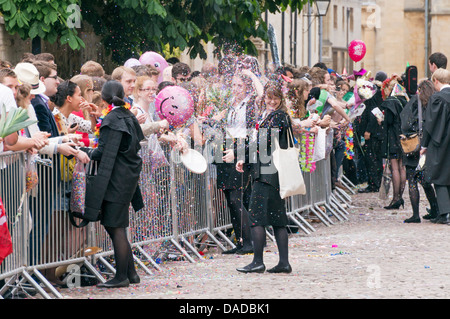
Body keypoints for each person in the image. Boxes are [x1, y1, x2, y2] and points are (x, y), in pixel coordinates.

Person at [80, 80, 146, 288]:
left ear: (105, 98)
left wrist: (85, 151)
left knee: (114, 226)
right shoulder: (126, 116)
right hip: (126, 178)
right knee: (117, 226)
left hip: (117, 179)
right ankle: (131, 273)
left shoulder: (112, 119)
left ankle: (121, 277)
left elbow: (104, 152)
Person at [235, 80, 292, 274]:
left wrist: (239, 154)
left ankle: (258, 261)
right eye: (269, 97)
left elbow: (263, 143)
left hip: (267, 173)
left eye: (276, 98)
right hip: (272, 173)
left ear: (281, 99)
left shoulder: (277, 117)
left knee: (256, 217)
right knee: (277, 219)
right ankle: (283, 263)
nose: (272, 101)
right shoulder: (274, 116)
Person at [400, 80, 440, 223]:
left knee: (412, 180)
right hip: (430, 145)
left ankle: (416, 214)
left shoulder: (414, 102)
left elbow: (405, 122)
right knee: (426, 180)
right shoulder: (435, 101)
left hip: (415, 145)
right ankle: (435, 210)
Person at [421, 68, 450, 224]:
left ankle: (445, 212)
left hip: (441, 142)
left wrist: (424, 145)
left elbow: (430, 124)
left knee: (439, 176)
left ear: (436, 81)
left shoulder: (437, 98)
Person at [380, 76, 408, 209]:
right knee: (402, 167)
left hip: (393, 137)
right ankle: (400, 197)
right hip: (404, 136)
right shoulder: (405, 99)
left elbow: (389, 121)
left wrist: (382, 120)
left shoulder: (391, 101)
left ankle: (396, 198)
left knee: (395, 168)